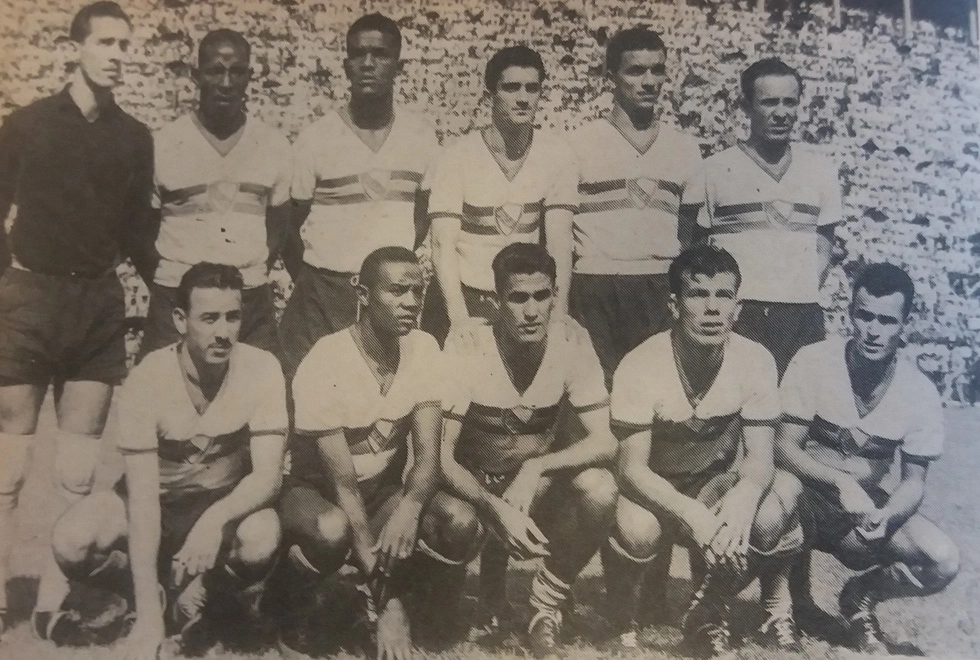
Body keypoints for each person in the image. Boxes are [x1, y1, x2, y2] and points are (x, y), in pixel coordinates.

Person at [0, 1, 154, 640]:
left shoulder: (134, 137)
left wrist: (168, 291)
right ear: (78, 47)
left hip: (97, 304)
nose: (118, 55)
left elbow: (139, 232)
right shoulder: (26, 125)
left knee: (76, 467)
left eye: (125, 45)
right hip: (30, 295)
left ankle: (57, 606)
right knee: (8, 461)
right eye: (107, 43)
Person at [48, 263, 287, 660]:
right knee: (71, 540)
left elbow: (268, 477)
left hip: (218, 503)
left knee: (262, 536)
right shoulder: (148, 379)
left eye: (232, 317)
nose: (223, 332)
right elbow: (142, 502)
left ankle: (201, 599)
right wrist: (148, 622)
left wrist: (214, 521)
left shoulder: (262, 368)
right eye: (208, 318)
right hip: (157, 502)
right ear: (180, 320)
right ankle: (141, 599)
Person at [608, 244, 804, 657]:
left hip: (713, 484)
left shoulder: (756, 359)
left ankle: (734, 608)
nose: (712, 309)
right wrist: (692, 514)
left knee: (774, 501)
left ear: (738, 306)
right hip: (655, 490)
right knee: (637, 529)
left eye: (723, 296)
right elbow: (631, 470)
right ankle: (621, 617)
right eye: (699, 295)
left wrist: (745, 496)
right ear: (675, 305)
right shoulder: (641, 363)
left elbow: (761, 456)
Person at [432, 242, 618, 658]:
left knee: (600, 488)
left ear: (555, 295)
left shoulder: (571, 340)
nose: (531, 311)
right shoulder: (468, 345)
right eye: (517, 298)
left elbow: (605, 442)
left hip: (531, 488)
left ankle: (546, 603)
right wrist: (492, 506)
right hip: (472, 492)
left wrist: (537, 466)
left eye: (541, 296)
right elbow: (439, 456)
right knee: (436, 621)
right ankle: (465, 594)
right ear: (496, 300)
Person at [776, 262, 959, 654]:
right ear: (850, 315)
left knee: (942, 559)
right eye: (865, 316)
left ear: (905, 324)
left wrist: (888, 514)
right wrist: (839, 481)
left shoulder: (920, 391)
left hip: (860, 511)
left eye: (887, 320)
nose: (874, 331)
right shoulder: (813, 360)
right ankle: (782, 607)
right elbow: (784, 447)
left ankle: (861, 596)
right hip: (803, 498)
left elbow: (913, 482)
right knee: (780, 502)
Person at [276, 247, 443, 660]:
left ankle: (440, 613)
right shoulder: (326, 360)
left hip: (378, 493)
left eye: (417, 292)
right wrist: (388, 603)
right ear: (364, 294)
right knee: (334, 530)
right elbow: (344, 487)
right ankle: (288, 603)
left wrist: (412, 504)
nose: (411, 303)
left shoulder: (422, 348)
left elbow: (428, 458)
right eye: (397, 291)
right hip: (317, 494)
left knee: (453, 521)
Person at [279, 13, 439, 380]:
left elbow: (421, 218)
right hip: (323, 295)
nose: (368, 64)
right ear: (346, 65)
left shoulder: (421, 138)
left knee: (383, 401)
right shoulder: (315, 139)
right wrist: (319, 278)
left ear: (398, 64)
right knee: (309, 399)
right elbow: (289, 225)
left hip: (389, 296)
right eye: (358, 54)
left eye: (380, 54)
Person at [135, 29, 292, 356]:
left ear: (249, 76)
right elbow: (140, 230)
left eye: (236, 72)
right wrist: (179, 280)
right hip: (177, 296)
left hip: (249, 298)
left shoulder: (273, 145)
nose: (226, 82)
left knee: (263, 394)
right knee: (161, 395)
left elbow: (278, 224)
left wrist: (248, 269)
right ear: (196, 76)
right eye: (215, 71)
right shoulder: (163, 144)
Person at [567, 27, 705, 387]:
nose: (649, 82)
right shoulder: (578, 144)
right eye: (636, 71)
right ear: (610, 77)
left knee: (654, 391)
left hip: (659, 290)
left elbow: (688, 237)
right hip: (595, 286)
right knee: (598, 391)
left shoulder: (684, 149)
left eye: (657, 70)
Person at [422, 45, 579, 346]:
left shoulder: (558, 155)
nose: (522, 98)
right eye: (511, 88)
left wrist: (557, 314)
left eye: (532, 89)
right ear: (489, 95)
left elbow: (560, 242)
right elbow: (442, 244)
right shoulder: (456, 156)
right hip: (465, 297)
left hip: (524, 302)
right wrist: (458, 318)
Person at [697, 58, 842, 377]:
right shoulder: (714, 170)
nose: (781, 113)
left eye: (789, 102)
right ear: (746, 107)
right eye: (769, 102)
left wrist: (795, 290)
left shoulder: (820, 172)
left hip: (801, 315)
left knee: (797, 417)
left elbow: (823, 247)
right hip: (739, 314)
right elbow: (697, 248)